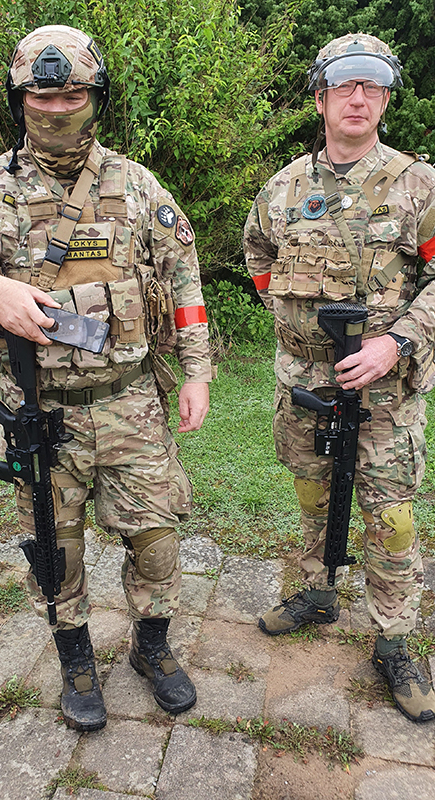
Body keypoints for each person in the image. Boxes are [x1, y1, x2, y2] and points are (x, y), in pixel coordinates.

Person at [0, 25, 212, 731]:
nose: (57, 109)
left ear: (96, 98)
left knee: (157, 540)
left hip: (129, 404)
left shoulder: (136, 185)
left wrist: (197, 372)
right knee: (56, 549)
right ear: (19, 100)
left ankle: (152, 646)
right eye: (42, 96)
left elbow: (183, 277)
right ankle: (75, 658)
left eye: (72, 95)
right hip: (40, 411)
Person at [244, 33, 435, 723]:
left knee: (391, 516)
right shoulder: (283, 188)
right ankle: (316, 591)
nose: (358, 97)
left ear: (385, 99)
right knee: (311, 492)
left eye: (372, 86)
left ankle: (394, 639)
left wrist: (395, 343)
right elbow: (258, 257)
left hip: (383, 390)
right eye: (344, 86)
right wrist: (298, 331)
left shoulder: (419, 186)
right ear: (321, 99)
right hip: (305, 386)